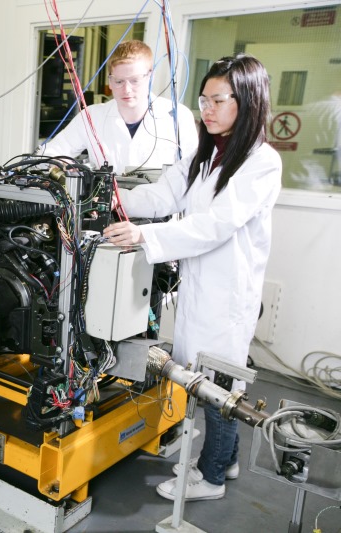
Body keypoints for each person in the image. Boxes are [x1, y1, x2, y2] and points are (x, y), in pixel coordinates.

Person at [103, 54, 282, 501]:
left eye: (218, 100)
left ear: (248, 101)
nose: (207, 108)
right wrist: (109, 196)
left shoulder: (261, 162)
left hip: (227, 295)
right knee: (210, 376)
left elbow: (215, 225)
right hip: (202, 288)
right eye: (203, 100)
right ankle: (230, 458)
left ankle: (212, 477)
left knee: (216, 383)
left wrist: (143, 233)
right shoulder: (208, 155)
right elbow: (162, 192)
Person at [41, 40, 198, 174]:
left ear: (151, 77)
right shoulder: (92, 117)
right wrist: (59, 164)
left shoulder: (177, 116)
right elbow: (48, 154)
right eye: (119, 81)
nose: (127, 89)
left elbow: (195, 169)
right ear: (110, 81)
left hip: (161, 208)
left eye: (135, 80)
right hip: (105, 207)